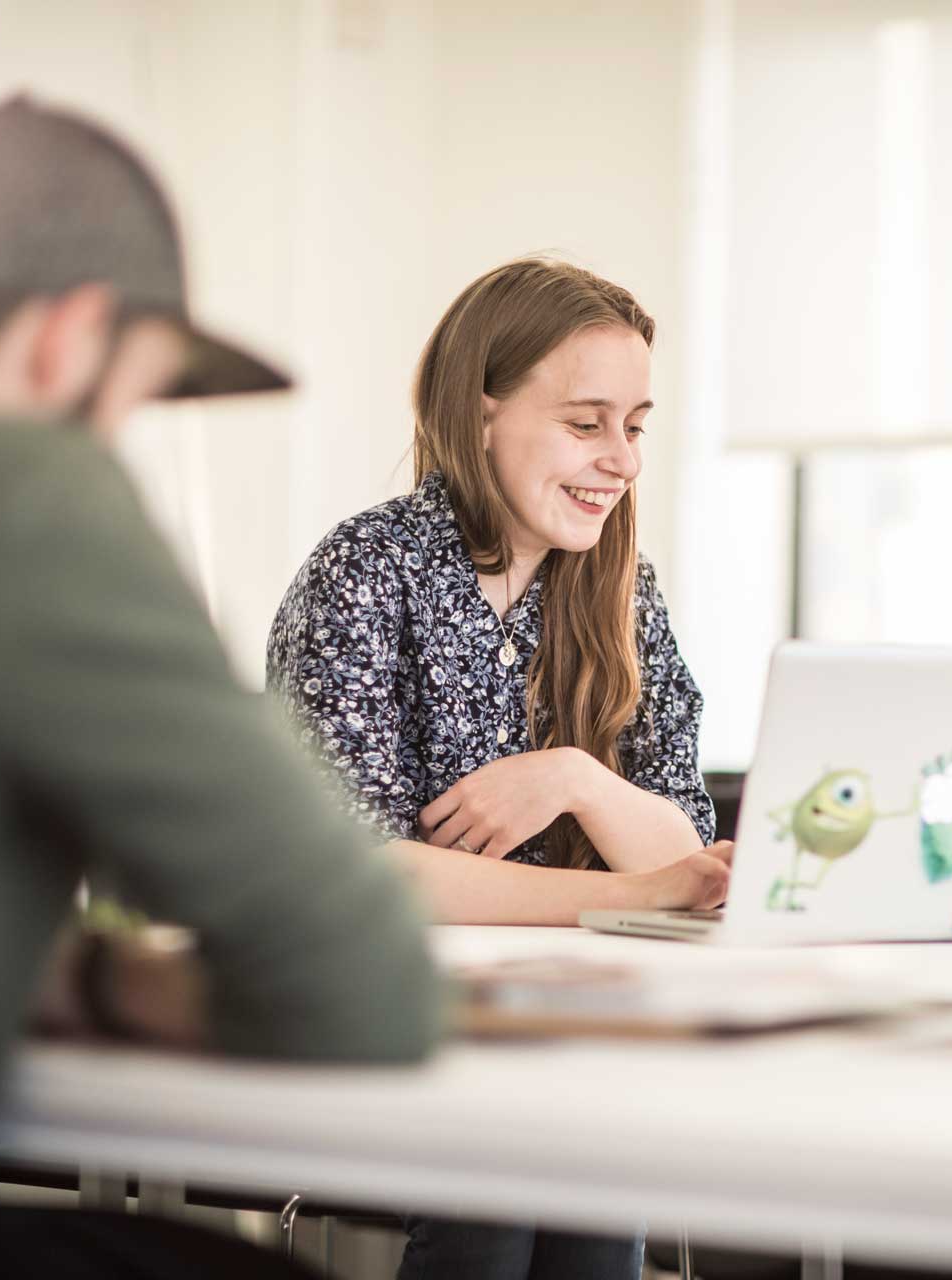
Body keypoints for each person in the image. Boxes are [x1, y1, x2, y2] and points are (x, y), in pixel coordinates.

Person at [0, 99, 442, 1279]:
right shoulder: (12, 494)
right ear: (65, 338)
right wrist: (111, 978)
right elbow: (362, 988)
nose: (113, 446)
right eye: (132, 402)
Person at [266, 258, 726, 1279]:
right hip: (394, 1029)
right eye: (585, 421)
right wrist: (632, 893)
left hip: (569, 1034)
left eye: (635, 425)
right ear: (481, 416)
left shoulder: (621, 591)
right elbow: (363, 873)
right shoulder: (364, 573)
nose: (622, 459)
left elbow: (689, 854)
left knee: (583, 1160)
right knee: (511, 1175)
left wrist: (576, 777)